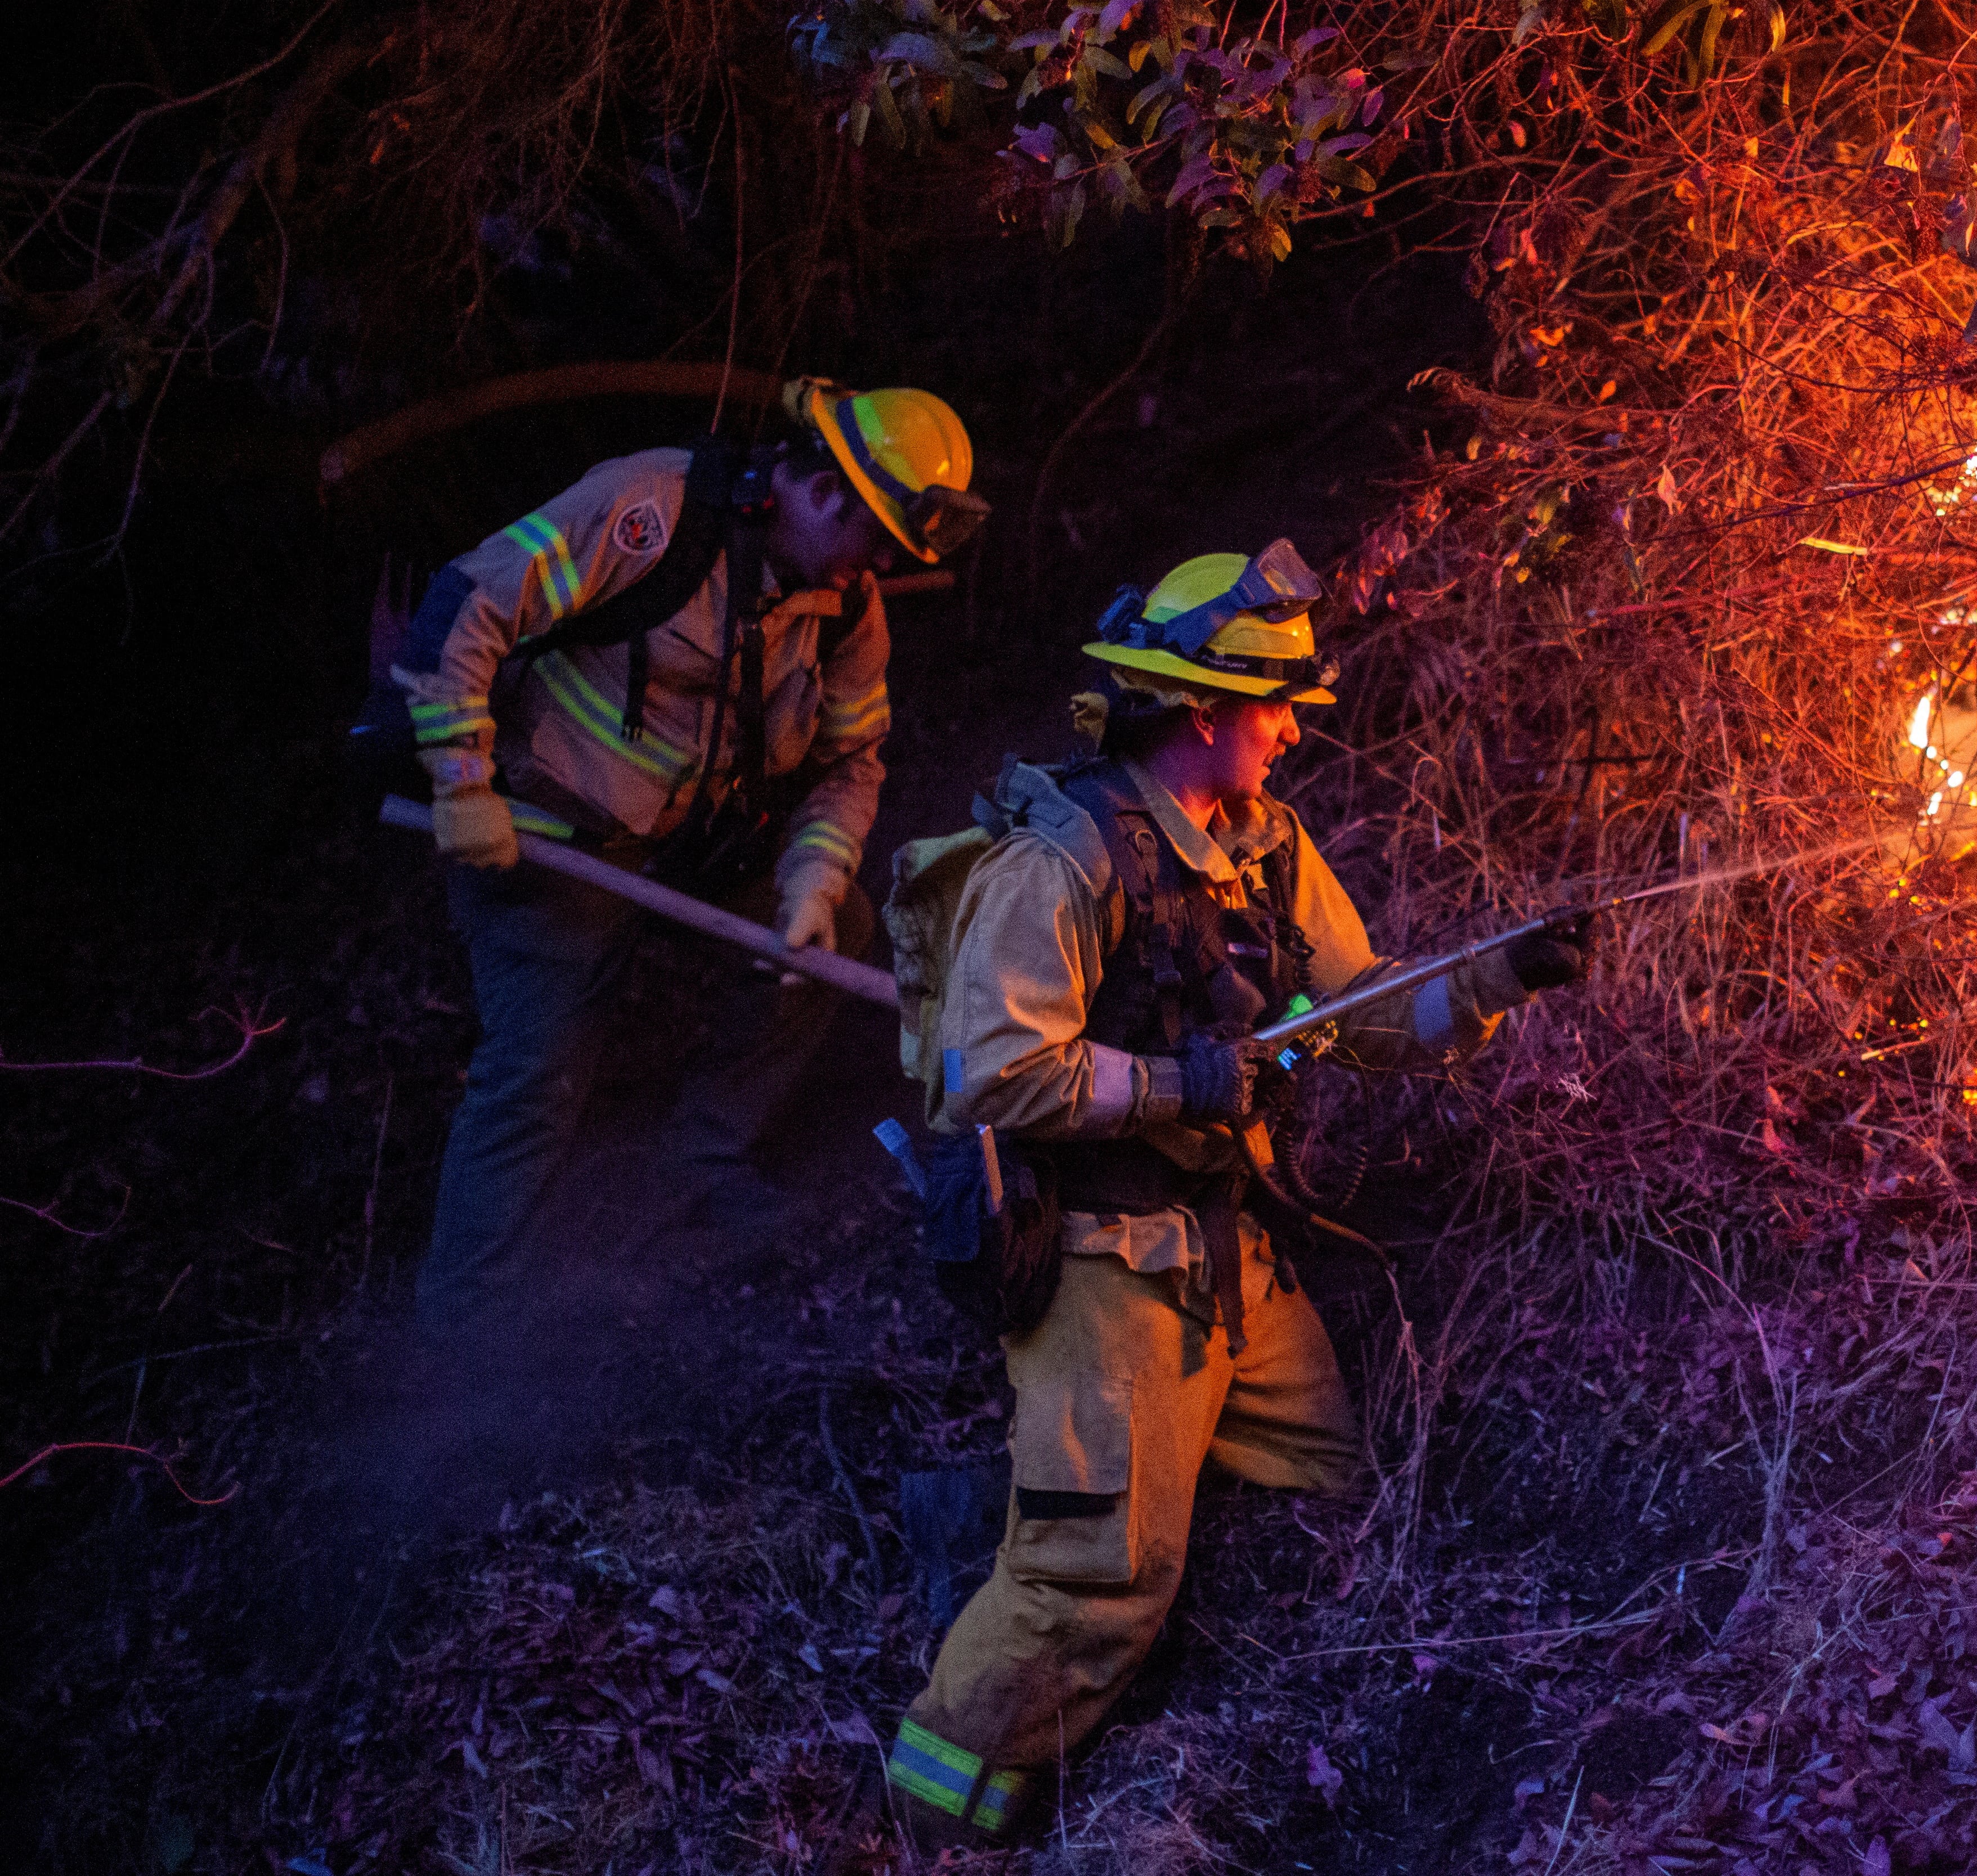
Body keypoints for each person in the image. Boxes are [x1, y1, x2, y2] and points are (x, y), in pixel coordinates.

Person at [875, 540, 1590, 1847]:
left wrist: (1504, 973)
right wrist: (1169, 1084)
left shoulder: (1263, 845)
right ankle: (930, 1814)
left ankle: (1158, 1658)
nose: (1290, 732)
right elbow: (989, 1075)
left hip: (1225, 1250)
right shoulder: (1062, 858)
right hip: (1104, 1259)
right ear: (1201, 712)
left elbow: (1368, 1014)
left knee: (1324, 1478)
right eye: (1273, 709)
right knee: (1101, 1580)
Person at [392, 378, 987, 1326]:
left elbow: (851, 762)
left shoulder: (846, 605)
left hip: (692, 838)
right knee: (539, 1062)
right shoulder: (652, 508)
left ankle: (701, 1165)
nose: (874, 570)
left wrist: (811, 880)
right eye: (873, 542)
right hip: (548, 834)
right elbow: (467, 605)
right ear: (828, 493)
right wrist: (462, 783)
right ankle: (462, 1322)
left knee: (843, 936)